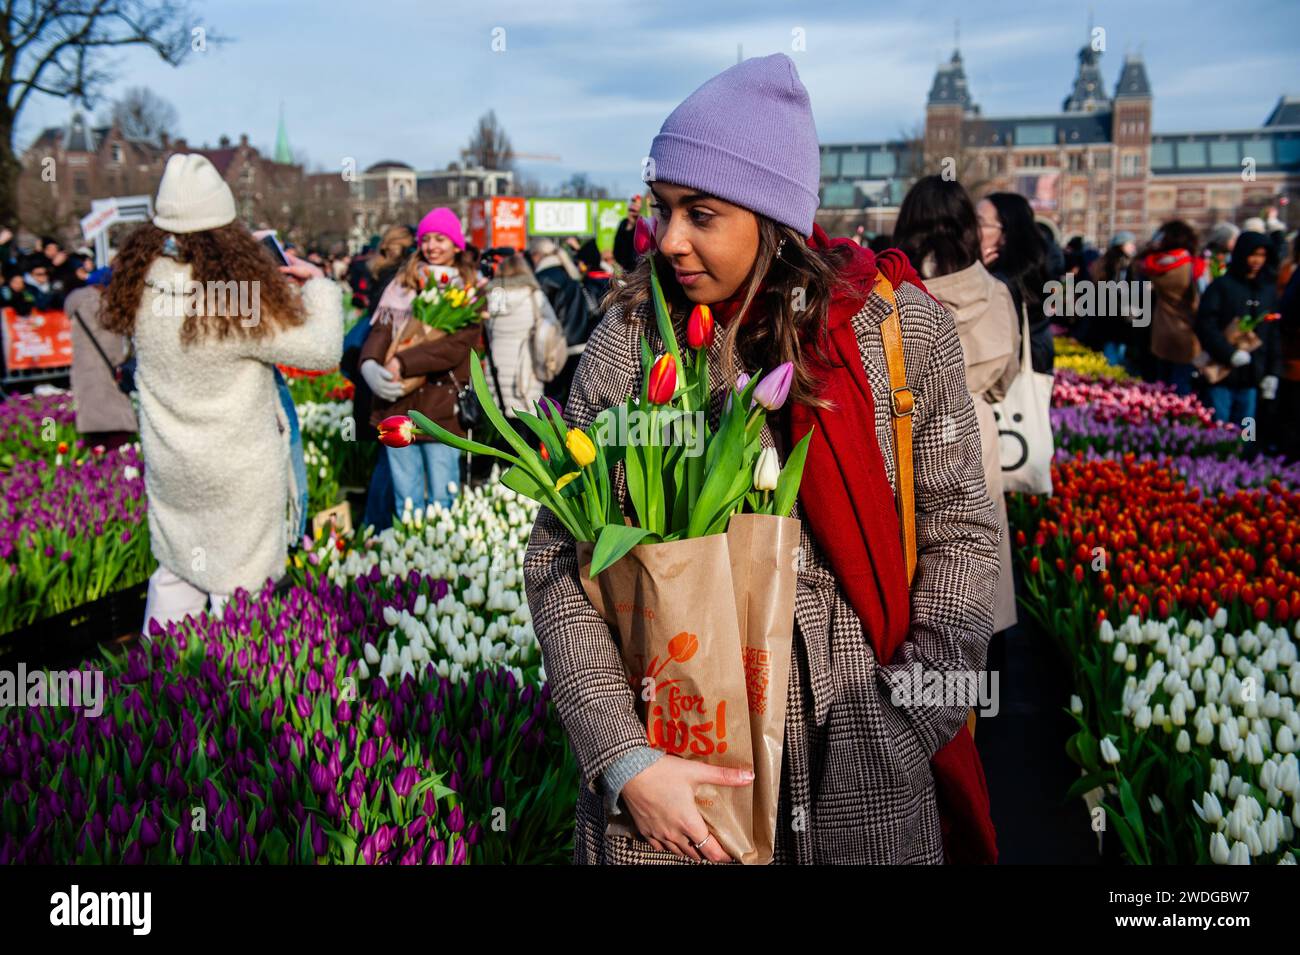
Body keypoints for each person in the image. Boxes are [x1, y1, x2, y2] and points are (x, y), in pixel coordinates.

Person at [523, 53, 1000, 866]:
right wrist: (625, 760)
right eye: (663, 208)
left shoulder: (898, 333)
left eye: (700, 213)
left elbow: (962, 536)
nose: (668, 239)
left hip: (858, 763)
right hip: (675, 780)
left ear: (770, 214)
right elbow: (557, 561)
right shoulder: (631, 343)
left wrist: (901, 721)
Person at [102, 153, 343, 631]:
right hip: (238, 472)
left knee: (175, 575)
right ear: (226, 231)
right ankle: (232, 688)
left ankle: (160, 687)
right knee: (241, 591)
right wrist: (319, 286)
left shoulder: (142, 290)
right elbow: (322, 351)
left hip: (173, 468)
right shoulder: (233, 302)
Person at [894, 174, 1019, 637]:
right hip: (975, 430)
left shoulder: (892, 290)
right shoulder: (996, 290)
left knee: (910, 558)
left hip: (901, 425)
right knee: (973, 550)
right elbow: (1007, 378)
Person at [359, 207, 480, 515]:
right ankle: (408, 559)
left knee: (443, 496)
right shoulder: (403, 284)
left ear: (456, 245)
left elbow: (454, 347)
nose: (432, 247)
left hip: (441, 408)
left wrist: (402, 361)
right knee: (406, 499)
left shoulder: (468, 289)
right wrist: (371, 363)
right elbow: (381, 328)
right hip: (397, 403)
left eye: (441, 239)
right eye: (427, 239)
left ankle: (444, 557)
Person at [341, 225, 414, 531]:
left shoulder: (378, 273)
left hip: (372, 374)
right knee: (391, 458)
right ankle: (378, 526)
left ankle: (374, 525)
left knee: (387, 456)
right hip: (387, 375)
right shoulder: (398, 280)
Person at [1195, 231, 1281, 426]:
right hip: (1222, 373)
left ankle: (1244, 454)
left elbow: (1272, 333)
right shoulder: (1222, 286)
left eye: (1262, 255)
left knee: (1247, 430)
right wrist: (1228, 353)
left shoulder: (1267, 290)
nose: (1257, 261)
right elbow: (1205, 325)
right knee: (1220, 427)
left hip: (1253, 376)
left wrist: (1273, 372)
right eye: (1253, 254)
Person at [978, 192, 1054, 373]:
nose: (971, 229)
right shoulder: (1027, 274)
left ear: (1005, 234)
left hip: (1003, 387)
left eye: (980, 222)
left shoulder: (1000, 284)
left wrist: (976, 274)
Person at [67, 265, 137, 448]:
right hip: (104, 372)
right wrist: (123, 362)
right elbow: (112, 345)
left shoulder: (77, 304)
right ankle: (115, 461)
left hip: (84, 370)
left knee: (94, 423)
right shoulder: (100, 305)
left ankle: (97, 459)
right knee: (116, 422)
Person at [483, 252, 556, 420]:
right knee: (527, 419)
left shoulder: (494, 296)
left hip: (496, 363)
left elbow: (487, 328)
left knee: (499, 418)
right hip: (527, 364)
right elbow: (551, 324)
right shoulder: (534, 295)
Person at [1140, 220, 1204, 396]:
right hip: (1187, 330)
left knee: (1162, 384)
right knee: (1182, 384)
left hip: (1161, 330)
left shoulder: (1155, 265)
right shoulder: (1193, 266)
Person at [1086, 231, 1138, 366]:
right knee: (1116, 348)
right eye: (1130, 243)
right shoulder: (1121, 264)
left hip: (1105, 311)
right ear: (1121, 245)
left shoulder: (1103, 262)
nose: (1133, 247)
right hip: (1117, 312)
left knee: (1111, 345)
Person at [612, 193, 643, 273]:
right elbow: (617, 243)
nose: (631, 213)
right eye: (630, 210)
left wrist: (634, 221)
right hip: (621, 265)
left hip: (635, 267)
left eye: (634, 211)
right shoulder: (623, 223)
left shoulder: (640, 225)